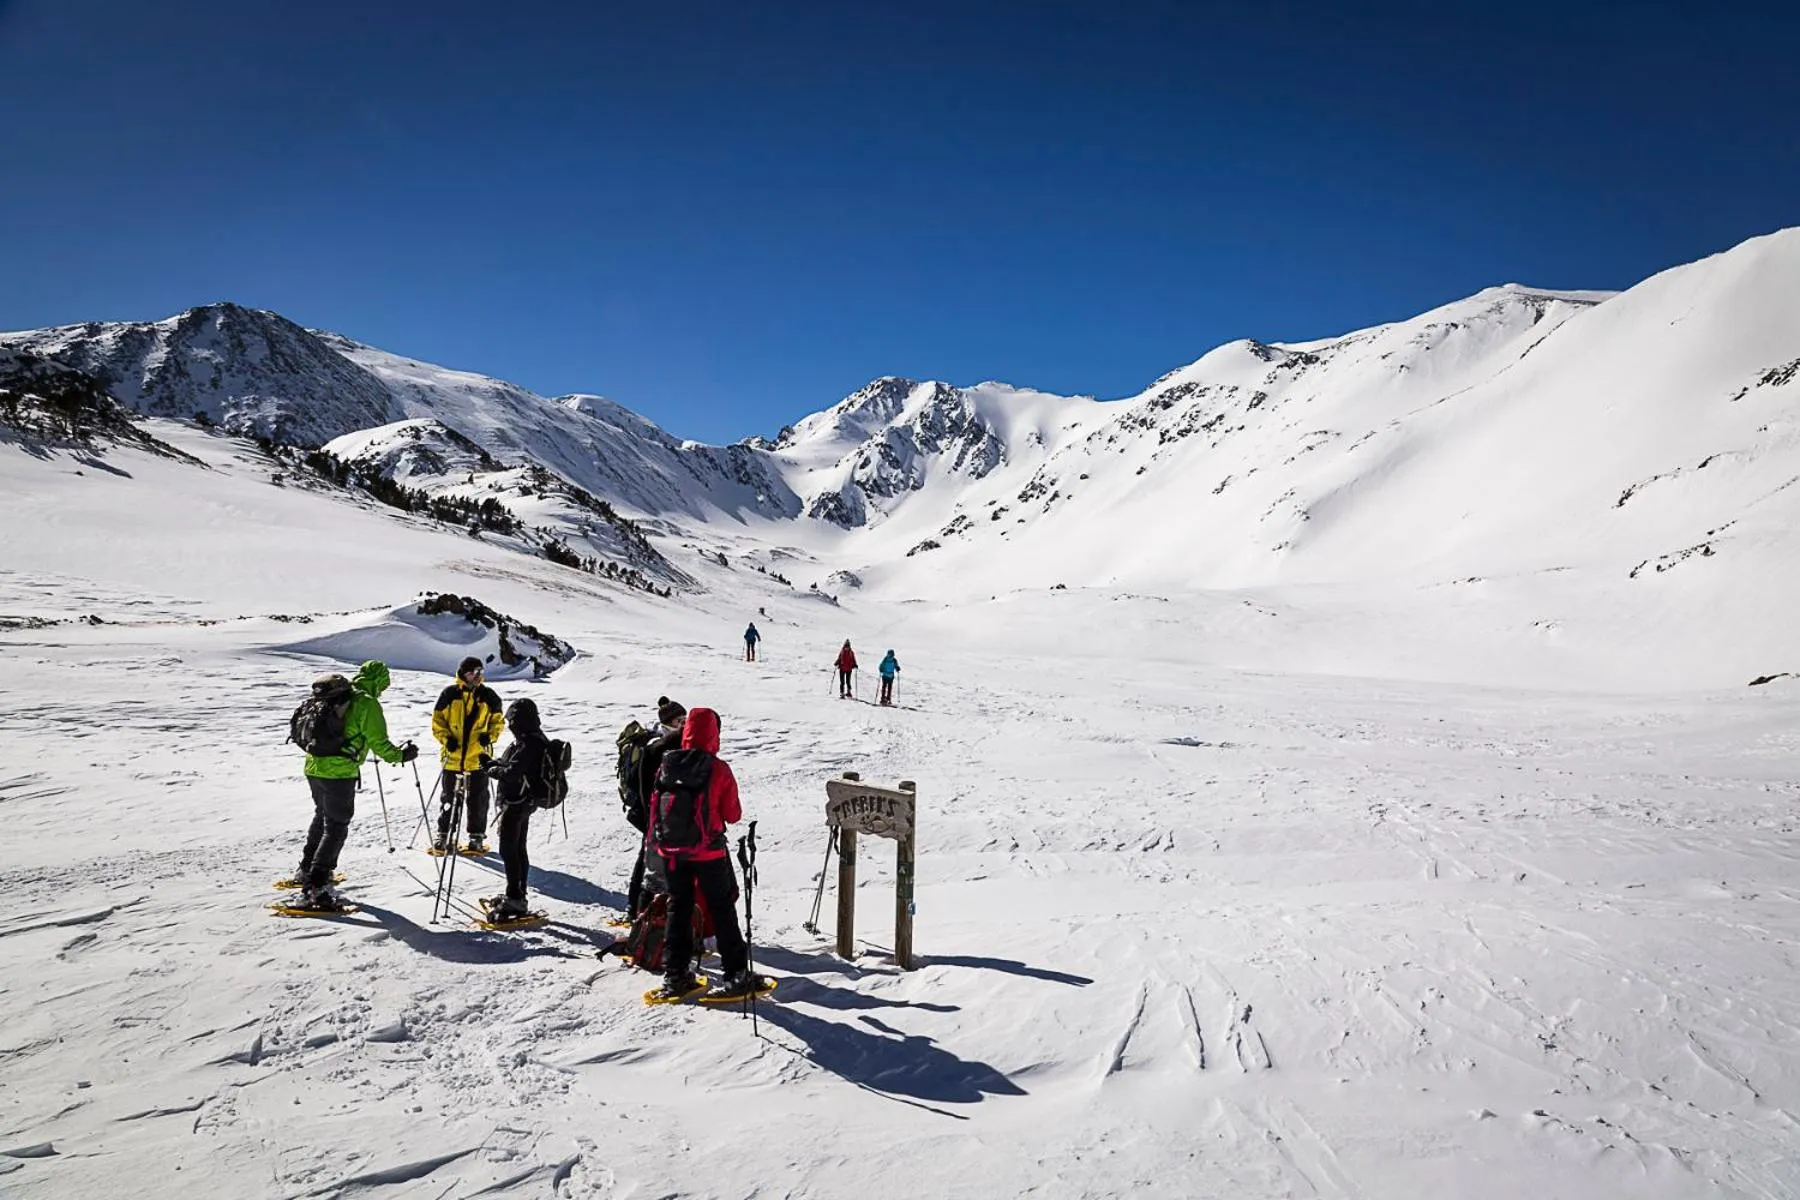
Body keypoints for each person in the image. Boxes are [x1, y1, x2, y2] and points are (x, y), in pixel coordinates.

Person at [648, 706, 770, 1001]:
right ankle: (736, 973)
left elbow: (655, 804)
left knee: (679, 907)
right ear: (714, 733)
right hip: (708, 853)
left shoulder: (667, 763)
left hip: (672, 852)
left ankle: (676, 974)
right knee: (722, 908)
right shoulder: (717, 768)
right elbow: (733, 814)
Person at [291, 660, 417, 910]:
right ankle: (317, 888)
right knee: (336, 826)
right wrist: (402, 756)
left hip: (313, 766)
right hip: (339, 772)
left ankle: (306, 870)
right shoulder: (366, 703)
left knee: (322, 817)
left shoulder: (335, 696)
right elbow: (380, 743)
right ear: (380, 681)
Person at [484, 697, 551, 918]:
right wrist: (496, 764)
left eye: (512, 720)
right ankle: (517, 895)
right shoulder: (535, 738)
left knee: (508, 849)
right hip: (525, 802)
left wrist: (491, 770)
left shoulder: (528, 743)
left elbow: (512, 773)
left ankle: (515, 898)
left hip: (516, 802)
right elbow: (516, 767)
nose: (510, 725)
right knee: (518, 847)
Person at [431, 656, 505, 854]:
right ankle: (444, 835)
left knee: (478, 800)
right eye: (473, 671)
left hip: (478, 759)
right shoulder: (450, 694)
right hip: (453, 758)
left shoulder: (489, 696)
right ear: (463, 673)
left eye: (480, 671)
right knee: (449, 798)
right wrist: (447, 739)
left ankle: (476, 838)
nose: (477, 675)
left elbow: (498, 722)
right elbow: (438, 722)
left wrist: (489, 737)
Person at [626, 697, 686, 918]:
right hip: (650, 813)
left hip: (656, 813)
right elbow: (639, 781)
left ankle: (637, 907)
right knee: (647, 861)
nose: (684, 724)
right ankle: (635, 908)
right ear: (668, 722)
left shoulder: (669, 743)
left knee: (649, 859)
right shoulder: (655, 747)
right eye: (680, 720)